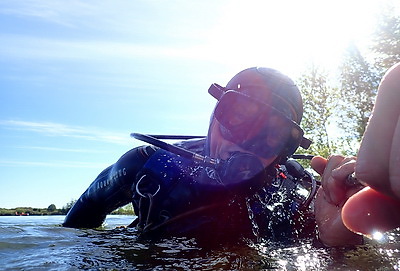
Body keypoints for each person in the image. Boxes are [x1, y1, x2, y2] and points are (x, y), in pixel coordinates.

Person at [63, 67, 361, 247]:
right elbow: (73, 233)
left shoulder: (298, 194)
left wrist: (339, 237)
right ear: (215, 113)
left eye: (272, 135)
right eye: (238, 117)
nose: (247, 142)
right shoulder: (147, 168)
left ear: (285, 149)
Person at [310, 63, 400, 245]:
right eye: (239, 117)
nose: (250, 139)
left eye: (272, 132)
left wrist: (337, 243)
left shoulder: (304, 201)